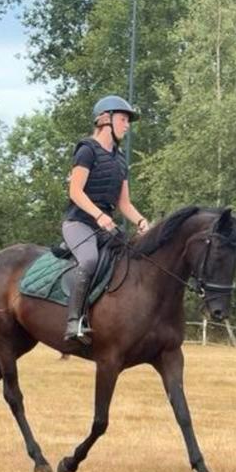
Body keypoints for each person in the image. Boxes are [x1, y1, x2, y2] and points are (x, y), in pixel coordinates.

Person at [61, 95, 150, 344]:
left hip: (104, 227)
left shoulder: (121, 160)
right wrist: (99, 214)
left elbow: (124, 204)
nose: (127, 125)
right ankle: (73, 322)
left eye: (127, 121)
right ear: (105, 119)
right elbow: (75, 192)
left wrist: (142, 221)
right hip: (78, 223)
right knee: (89, 260)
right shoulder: (87, 150)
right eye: (123, 119)